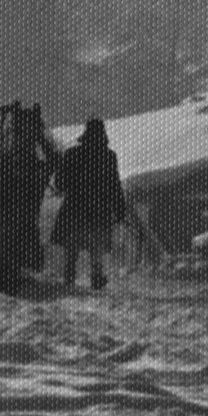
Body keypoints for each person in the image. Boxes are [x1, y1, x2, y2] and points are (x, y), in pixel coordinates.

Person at [0, 100, 62, 293]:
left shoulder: (23, 166)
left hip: (11, 222)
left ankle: (4, 270)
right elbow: (54, 161)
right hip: (11, 221)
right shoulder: (7, 163)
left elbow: (54, 163)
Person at [50, 116, 129, 290]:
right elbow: (114, 186)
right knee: (97, 249)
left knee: (72, 250)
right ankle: (97, 278)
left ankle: (69, 280)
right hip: (99, 210)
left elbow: (60, 183)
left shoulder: (72, 154)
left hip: (74, 209)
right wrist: (121, 211)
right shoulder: (109, 157)